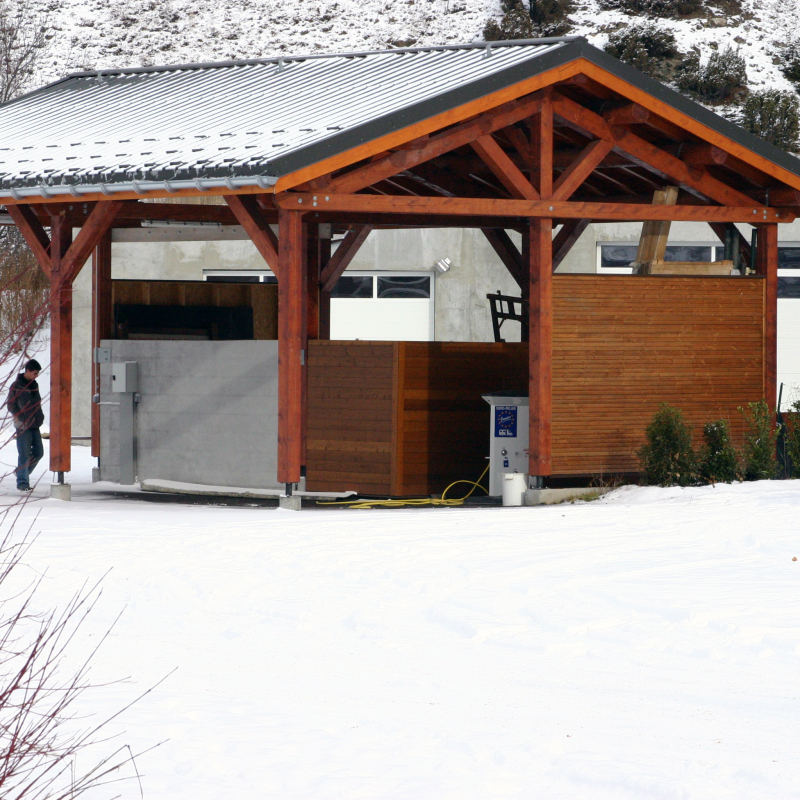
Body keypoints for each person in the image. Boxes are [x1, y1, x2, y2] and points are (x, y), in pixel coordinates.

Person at [7, 359, 44, 492]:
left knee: (39, 452)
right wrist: (20, 416)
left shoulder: (34, 385)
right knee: (24, 454)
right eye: (34, 373)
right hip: (23, 425)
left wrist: (40, 416)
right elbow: (10, 404)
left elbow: (37, 402)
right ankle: (23, 483)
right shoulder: (16, 385)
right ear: (27, 371)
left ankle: (22, 472)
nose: (36, 376)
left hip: (35, 423)